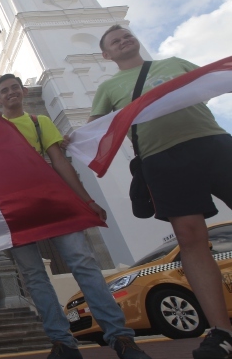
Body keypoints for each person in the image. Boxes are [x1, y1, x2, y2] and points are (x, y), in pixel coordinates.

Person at [92, 25, 232, 359]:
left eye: (126, 35)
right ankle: (221, 332)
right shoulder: (109, 87)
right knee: (190, 237)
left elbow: (205, 87)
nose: (124, 40)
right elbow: (96, 126)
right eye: (115, 40)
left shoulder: (173, 63)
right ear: (106, 55)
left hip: (212, 143)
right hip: (161, 159)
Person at [0, 73, 150, 359]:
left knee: (83, 263)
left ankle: (120, 337)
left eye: (15, 87)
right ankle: (63, 342)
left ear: (23, 91)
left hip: (53, 200)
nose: (11, 93)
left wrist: (86, 199)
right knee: (33, 276)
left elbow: (60, 162)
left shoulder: (40, 122)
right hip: (16, 208)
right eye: (5, 90)